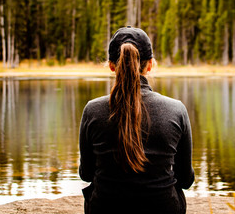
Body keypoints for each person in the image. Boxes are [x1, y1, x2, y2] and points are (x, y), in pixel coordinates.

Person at [79, 26, 194, 214]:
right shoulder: (176, 109)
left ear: (111, 65)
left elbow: (86, 174)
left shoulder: (92, 110)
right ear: (150, 65)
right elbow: (186, 180)